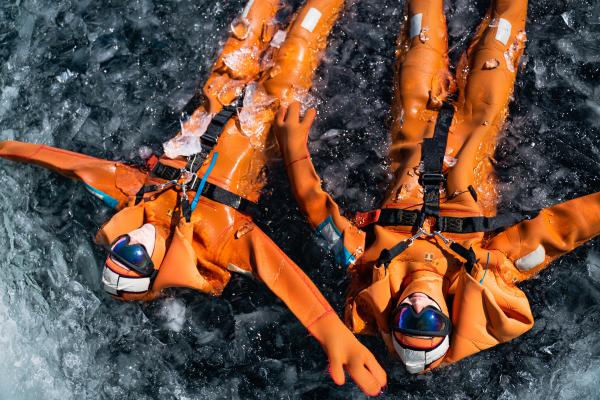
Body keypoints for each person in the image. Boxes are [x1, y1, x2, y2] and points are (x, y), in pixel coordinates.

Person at [0, 0, 387, 395]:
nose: (133, 240)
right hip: (266, 115)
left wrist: (9, 148)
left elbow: (76, 166)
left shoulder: (138, 201)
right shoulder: (216, 244)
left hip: (219, 96)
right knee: (302, 37)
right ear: (155, 269)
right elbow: (282, 275)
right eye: (135, 257)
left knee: (249, 27)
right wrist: (332, 332)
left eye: (119, 247)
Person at [275, 0, 600, 374]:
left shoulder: (368, 264)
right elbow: (562, 229)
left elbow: (317, 213)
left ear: (394, 320)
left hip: (416, 115)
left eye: (406, 323)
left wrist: (294, 151)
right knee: (502, 30)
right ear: (446, 319)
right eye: (429, 323)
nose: (416, 308)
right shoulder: (484, 269)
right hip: (477, 125)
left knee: (421, 28)